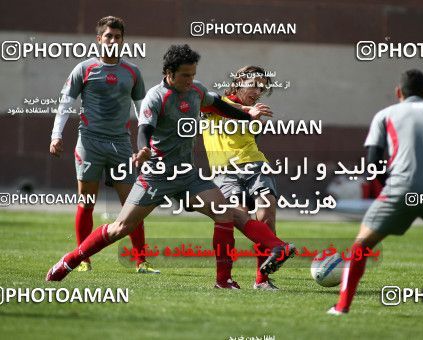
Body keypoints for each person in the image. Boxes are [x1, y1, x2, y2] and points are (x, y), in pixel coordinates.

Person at [46, 44, 296, 288]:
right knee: (120, 228)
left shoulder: (196, 91)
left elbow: (218, 104)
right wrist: (143, 148)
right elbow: (145, 129)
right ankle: (69, 261)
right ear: (169, 73)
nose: (190, 80)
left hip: (187, 176)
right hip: (157, 176)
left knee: (228, 213)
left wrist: (246, 114)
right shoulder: (155, 97)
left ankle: (232, 276)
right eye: (185, 75)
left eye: (193, 74)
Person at [326, 69, 423, 320]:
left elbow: (373, 161)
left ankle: (342, 306)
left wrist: (390, 186)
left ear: (398, 92)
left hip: (400, 190)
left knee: (361, 245)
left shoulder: (385, 115)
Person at [49, 16, 158, 273]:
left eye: (117, 37)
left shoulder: (132, 71)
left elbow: (142, 110)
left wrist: (147, 143)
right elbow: (65, 104)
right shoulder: (84, 68)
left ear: (122, 41)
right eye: (108, 36)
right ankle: (83, 259)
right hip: (89, 143)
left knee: (132, 205)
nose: (112, 40)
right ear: (99, 39)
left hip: (120, 145)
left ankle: (141, 260)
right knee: (86, 202)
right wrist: (56, 136)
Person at [201, 65, 283, 290]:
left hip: (255, 164)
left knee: (267, 213)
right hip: (224, 170)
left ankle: (263, 279)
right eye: (254, 85)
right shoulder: (212, 102)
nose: (257, 92)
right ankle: (225, 279)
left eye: (262, 89)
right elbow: (222, 108)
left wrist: (252, 117)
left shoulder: (254, 111)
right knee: (234, 216)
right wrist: (247, 113)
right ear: (239, 80)